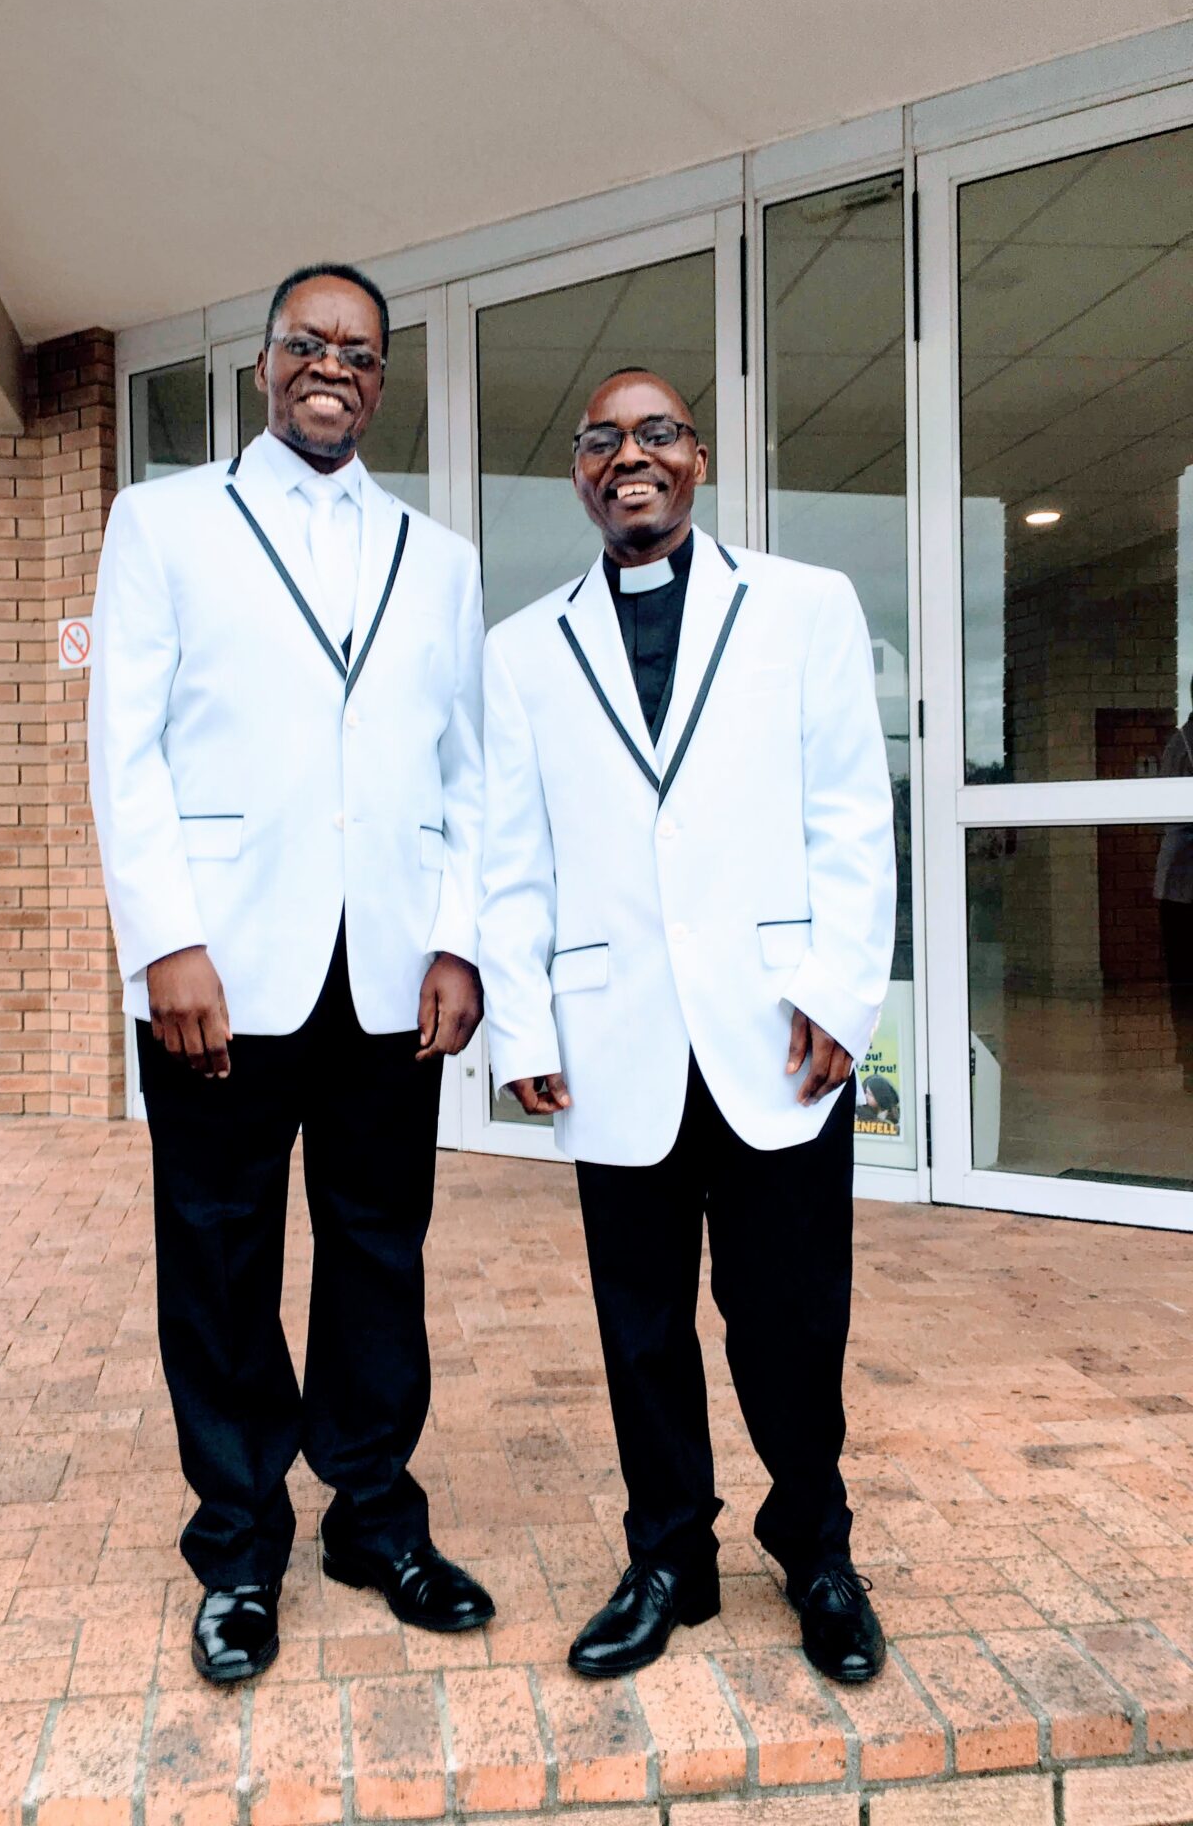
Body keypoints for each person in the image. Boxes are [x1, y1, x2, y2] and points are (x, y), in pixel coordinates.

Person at [89, 263, 493, 1685]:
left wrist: (459, 935)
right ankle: (240, 1543)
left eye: (362, 353)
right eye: (310, 344)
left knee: (381, 1251)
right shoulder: (164, 522)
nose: (336, 367)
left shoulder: (436, 559)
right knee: (218, 1257)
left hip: (388, 970)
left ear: (383, 381)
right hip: (222, 969)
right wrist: (165, 941)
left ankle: (373, 1518)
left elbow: (469, 769)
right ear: (263, 363)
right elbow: (121, 750)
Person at [477, 368, 896, 1683]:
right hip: (614, 1037)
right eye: (601, 441)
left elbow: (849, 814)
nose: (628, 458)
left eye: (655, 434)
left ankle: (815, 1547)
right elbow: (511, 855)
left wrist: (842, 993)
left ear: (698, 460)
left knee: (791, 1317)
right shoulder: (519, 651)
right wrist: (524, 1025)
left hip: (779, 1031)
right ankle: (670, 1555)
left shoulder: (806, 608)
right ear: (582, 480)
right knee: (640, 1321)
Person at [1155, 681, 1193, 1089]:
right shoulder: (1180, 744)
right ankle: (1190, 1065)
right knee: (1185, 978)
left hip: (1178, 882)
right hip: (1182, 884)